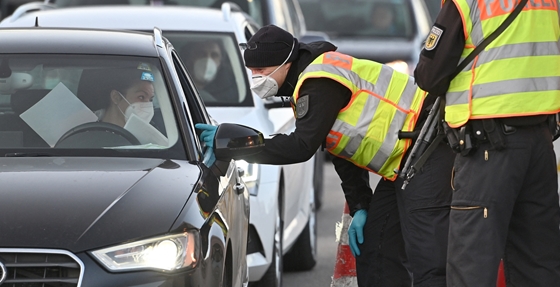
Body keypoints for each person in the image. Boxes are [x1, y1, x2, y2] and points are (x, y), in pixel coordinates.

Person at [197, 24, 454, 287]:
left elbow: (301, 146)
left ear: (285, 63)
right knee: (377, 249)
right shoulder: (309, 82)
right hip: (406, 164)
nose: (256, 78)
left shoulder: (319, 81)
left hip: (429, 150)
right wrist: (360, 206)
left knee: (428, 261)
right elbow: (343, 147)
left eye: (261, 71)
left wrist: (240, 146)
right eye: (252, 71)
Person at [414, 1, 560, 286]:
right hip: (540, 143)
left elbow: (428, 76)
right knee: (538, 264)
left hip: (489, 150)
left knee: (472, 263)